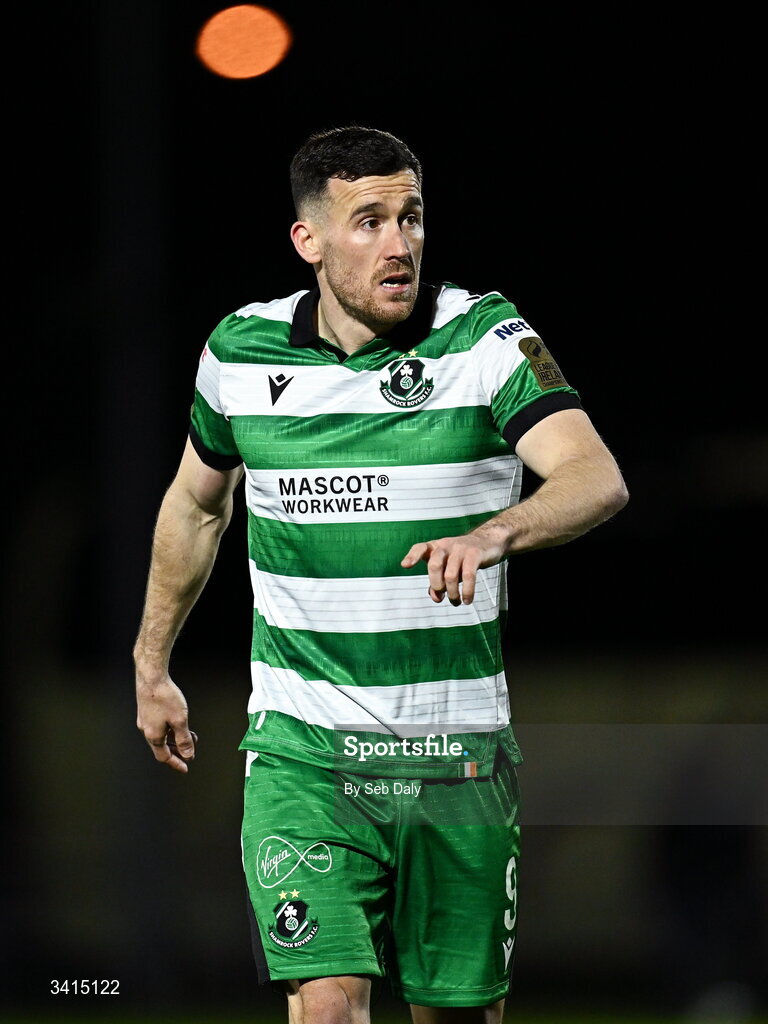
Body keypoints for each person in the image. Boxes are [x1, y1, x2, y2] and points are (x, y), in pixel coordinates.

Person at [134, 125, 628, 1023]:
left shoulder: (484, 336)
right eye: (369, 222)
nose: (399, 243)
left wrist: (498, 532)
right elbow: (198, 505)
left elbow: (596, 477)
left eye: (412, 217)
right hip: (305, 754)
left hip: (455, 760)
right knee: (325, 1005)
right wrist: (151, 663)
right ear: (309, 240)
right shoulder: (241, 353)